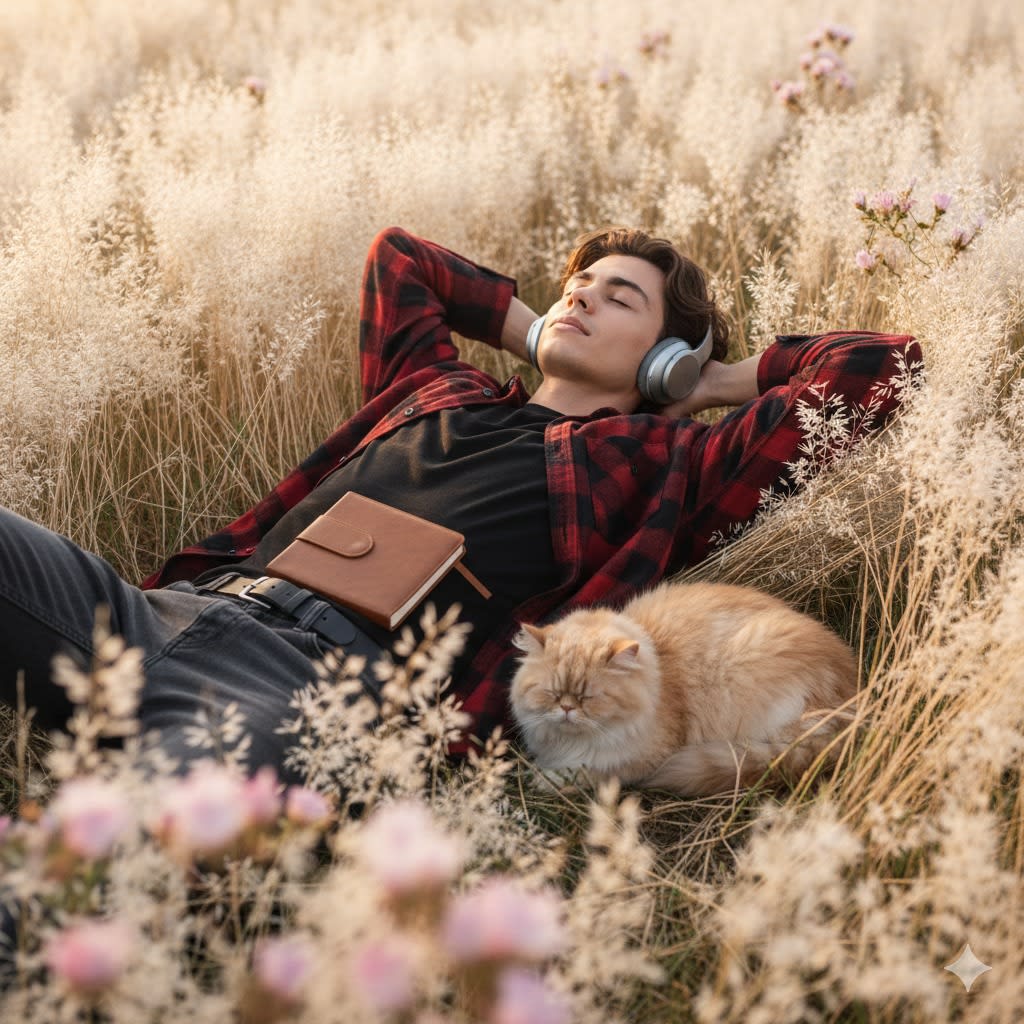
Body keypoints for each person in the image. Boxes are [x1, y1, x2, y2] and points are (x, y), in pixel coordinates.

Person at [0, 226, 921, 779]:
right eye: (576, 288)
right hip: (163, 613)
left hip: (318, 689)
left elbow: (880, 369)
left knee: (113, 856)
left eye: (620, 298)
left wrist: (706, 379)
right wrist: (542, 332)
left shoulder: (658, 464)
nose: (581, 299)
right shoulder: (441, 388)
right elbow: (401, 259)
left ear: (662, 355)